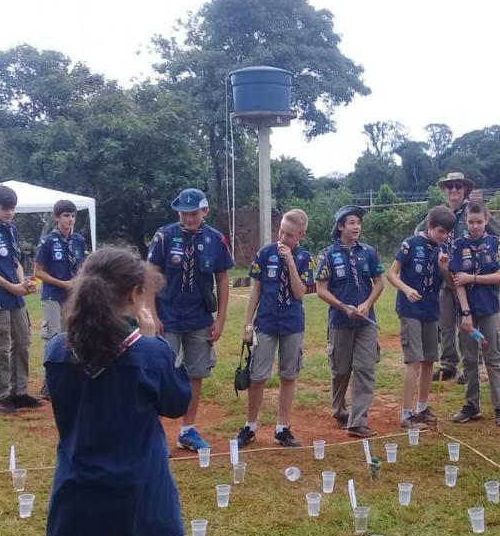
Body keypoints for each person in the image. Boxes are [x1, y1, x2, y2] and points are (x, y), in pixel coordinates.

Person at [44, 247, 198, 536]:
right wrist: (155, 343)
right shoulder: (148, 353)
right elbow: (176, 401)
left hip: (79, 502)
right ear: (134, 294)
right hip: (140, 504)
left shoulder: (57, 352)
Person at [147, 188, 233, 453]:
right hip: (167, 317)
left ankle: (187, 430)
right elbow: (150, 275)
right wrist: (153, 315)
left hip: (199, 318)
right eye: (184, 214)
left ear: (204, 211)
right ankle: (154, 434)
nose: (189, 219)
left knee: (196, 373)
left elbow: (222, 279)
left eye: (194, 213)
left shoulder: (216, 239)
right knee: (161, 373)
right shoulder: (164, 236)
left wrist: (220, 320)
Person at [235, 209, 315, 449]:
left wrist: (290, 260)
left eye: (289, 235)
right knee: (257, 376)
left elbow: (300, 292)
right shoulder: (264, 254)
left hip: (292, 324)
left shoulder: (305, 258)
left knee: (288, 376)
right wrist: (248, 324)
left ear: (301, 235)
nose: (282, 238)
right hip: (266, 323)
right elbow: (256, 290)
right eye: (281, 231)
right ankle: (250, 426)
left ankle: (282, 428)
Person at [417, 172, 500, 384]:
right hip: (446, 276)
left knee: (468, 322)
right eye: (450, 187)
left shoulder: (473, 211)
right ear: (445, 190)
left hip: (470, 277)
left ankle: (471, 366)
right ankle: (448, 365)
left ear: (465, 188)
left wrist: (482, 256)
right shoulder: (439, 212)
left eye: (458, 186)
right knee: (446, 323)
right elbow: (419, 232)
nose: (454, 190)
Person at [315, 205, 385, 438]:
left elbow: (379, 283)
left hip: (366, 321)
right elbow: (321, 290)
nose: (356, 227)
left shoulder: (369, 252)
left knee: (365, 368)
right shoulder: (327, 255)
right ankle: (339, 410)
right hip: (340, 321)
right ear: (340, 226)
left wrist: (367, 304)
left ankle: (357, 422)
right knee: (341, 370)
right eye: (352, 222)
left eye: (358, 223)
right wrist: (343, 307)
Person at [0, 184, 43, 415]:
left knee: (23, 342)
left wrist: (22, 284)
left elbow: (15, 262)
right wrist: (11, 287)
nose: (9, 213)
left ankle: (19, 392)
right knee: (2, 347)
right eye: (5, 208)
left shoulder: (11, 229)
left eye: (12, 209)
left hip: (15, 298)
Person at [386, 205, 455, 429]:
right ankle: (406, 414)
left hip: (431, 310)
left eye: (446, 233)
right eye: (440, 231)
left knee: (428, 361)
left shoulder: (444, 250)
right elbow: (391, 273)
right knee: (414, 360)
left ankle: (422, 408)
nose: (443, 236)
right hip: (410, 310)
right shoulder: (411, 244)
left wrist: (445, 268)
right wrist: (406, 290)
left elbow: (451, 284)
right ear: (430, 226)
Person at [448, 201, 500, 427]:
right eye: (471, 222)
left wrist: (473, 278)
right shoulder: (457, 246)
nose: (475, 226)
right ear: (466, 221)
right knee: (469, 359)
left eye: (479, 222)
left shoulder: (498, 244)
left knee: (493, 358)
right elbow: (457, 282)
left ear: (486, 221)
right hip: (467, 313)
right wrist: (465, 312)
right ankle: (471, 405)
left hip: (489, 311)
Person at [33, 199, 88, 398]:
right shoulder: (48, 241)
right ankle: (49, 383)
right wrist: (62, 283)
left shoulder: (79, 241)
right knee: (54, 337)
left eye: (73, 215)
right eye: (66, 216)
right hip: (53, 295)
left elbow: (83, 267)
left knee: (71, 337)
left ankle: (69, 379)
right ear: (57, 217)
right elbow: (38, 271)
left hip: (72, 297)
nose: (70, 220)